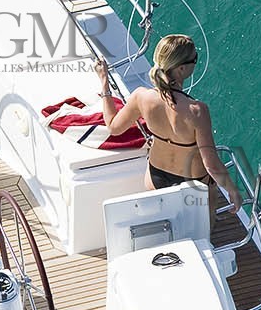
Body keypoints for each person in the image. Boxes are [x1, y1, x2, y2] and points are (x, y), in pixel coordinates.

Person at [91, 34, 241, 208]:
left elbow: (114, 127)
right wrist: (233, 190)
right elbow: (211, 165)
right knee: (207, 222)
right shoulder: (197, 111)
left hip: (156, 178)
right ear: (182, 69)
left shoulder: (141, 97)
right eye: (195, 59)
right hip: (193, 184)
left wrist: (104, 82)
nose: (196, 62)